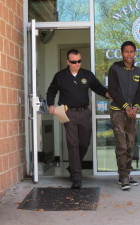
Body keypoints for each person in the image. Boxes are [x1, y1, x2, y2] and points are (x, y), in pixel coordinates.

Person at [46, 49, 109, 189]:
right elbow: (51, 91)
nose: (77, 64)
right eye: (74, 62)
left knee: (84, 143)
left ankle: (74, 166)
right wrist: (51, 105)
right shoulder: (60, 76)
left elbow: (98, 88)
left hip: (84, 112)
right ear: (68, 62)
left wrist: (108, 94)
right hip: (67, 113)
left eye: (79, 61)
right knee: (73, 143)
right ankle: (76, 177)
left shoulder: (87, 74)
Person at [108, 41, 140, 190]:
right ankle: (123, 177)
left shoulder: (137, 71)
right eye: (126, 52)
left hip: (131, 113)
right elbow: (113, 90)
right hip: (118, 111)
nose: (129, 54)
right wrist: (126, 107)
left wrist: (134, 107)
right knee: (121, 145)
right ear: (121, 53)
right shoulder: (115, 69)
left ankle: (127, 173)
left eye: (131, 52)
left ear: (135, 53)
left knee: (130, 144)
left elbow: (139, 92)